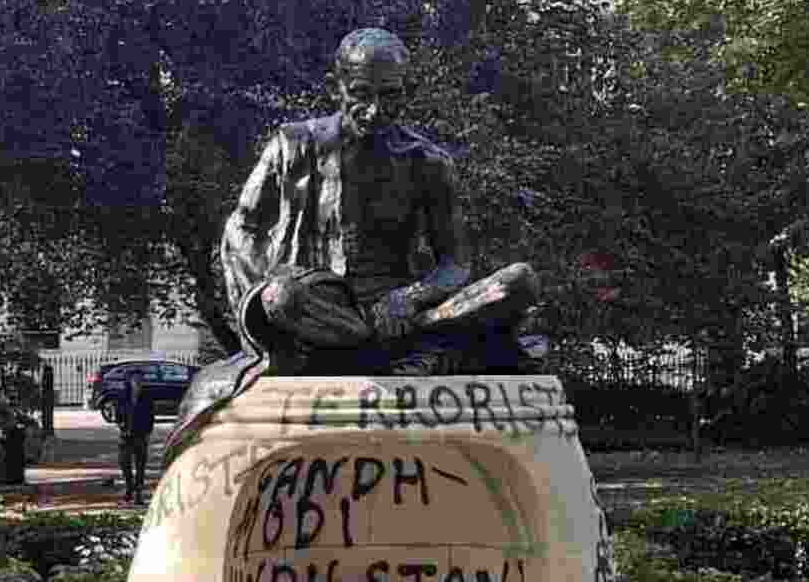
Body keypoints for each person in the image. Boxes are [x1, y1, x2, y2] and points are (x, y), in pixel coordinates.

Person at [164, 27, 541, 467]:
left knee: (518, 282)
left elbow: (455, 263)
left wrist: (410, 298)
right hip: (319, 304)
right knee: (284, 297)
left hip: (401, 313)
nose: (376, 110)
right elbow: (242, 228)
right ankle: (381, 349)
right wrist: (261, 302)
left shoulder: (429, 164)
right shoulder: (293, 145)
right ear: (337, 87)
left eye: (390, 95)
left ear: (407, 92)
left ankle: (383, 345)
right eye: (361, 93)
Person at [118, 375, 154, 505]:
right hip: (126, 435)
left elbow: (151, 415)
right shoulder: (124, 395)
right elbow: (118, 412)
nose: (138, 383)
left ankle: (138, 492)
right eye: (135, 380)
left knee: (140, 465)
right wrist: (121, 425)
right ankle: (129, 488)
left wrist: (148, 432)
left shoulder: (147, 396)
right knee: (124, 462)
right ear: (131, 381)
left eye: (140, 381)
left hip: (140, 435)